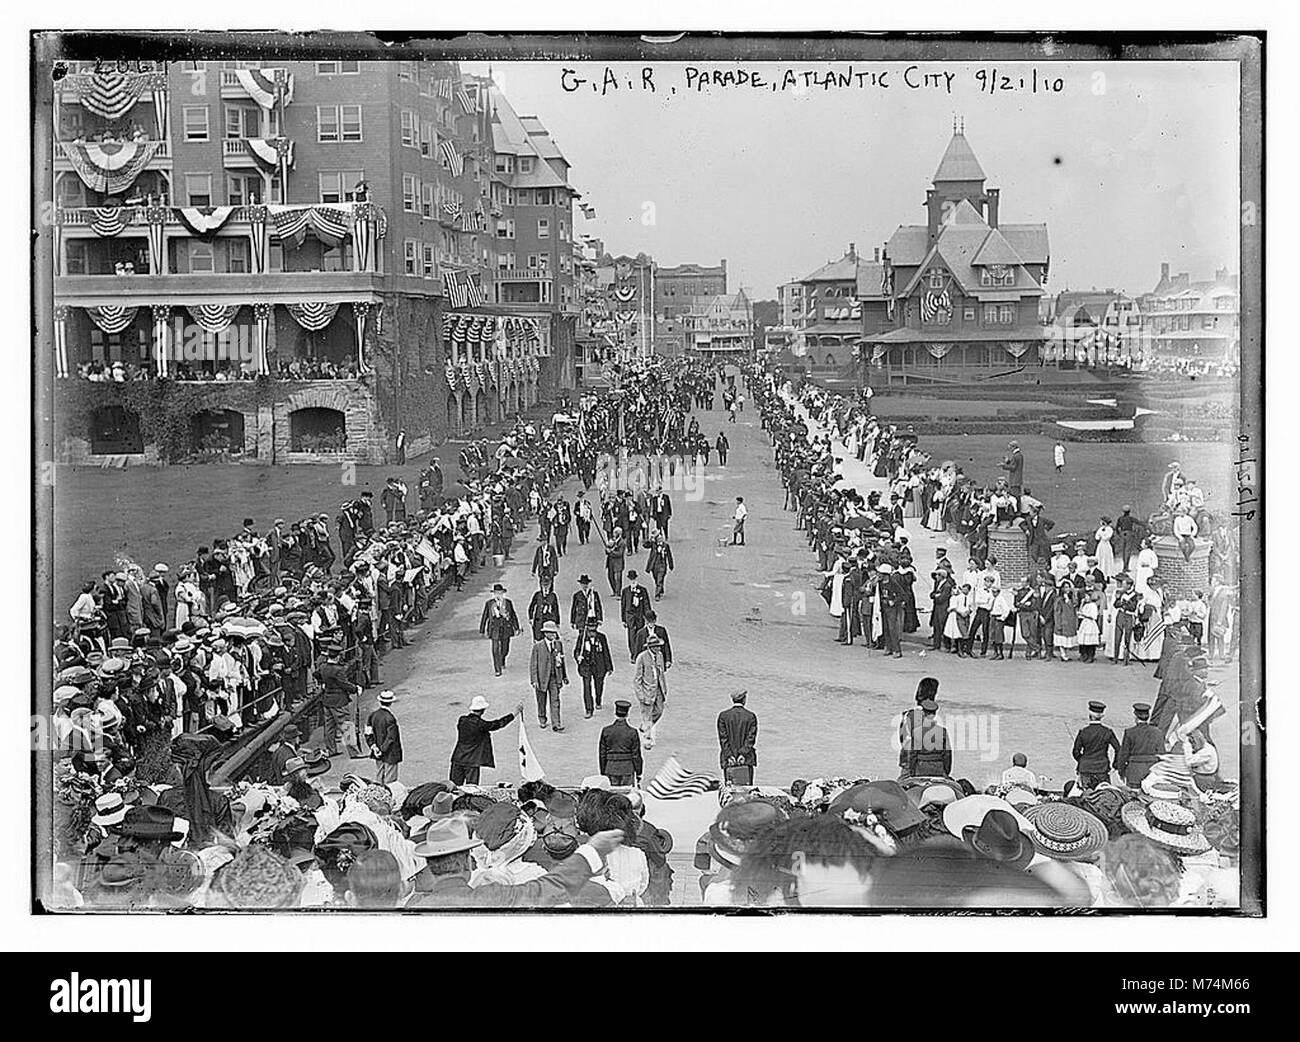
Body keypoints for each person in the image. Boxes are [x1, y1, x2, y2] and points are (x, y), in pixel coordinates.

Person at [449, 696, 520, 785]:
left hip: (458, 758)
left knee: (453, 787)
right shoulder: (481, 725)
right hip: (472, 761)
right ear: (483, 710)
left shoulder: (462, 720)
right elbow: (498, 724)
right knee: (471, 788)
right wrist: (514, 714)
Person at [528, 620, 569, 732]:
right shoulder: (538, 646)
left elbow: (562, 661)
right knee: (541, 700)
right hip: (541, 678)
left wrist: (564, 676)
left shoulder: (558, 644)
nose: (553, 635)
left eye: (554, 633)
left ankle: (556, 723)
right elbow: (533, 664)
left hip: (554, 677)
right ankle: (542, 718)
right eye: (551, 633)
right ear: (545, 633)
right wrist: (534, 680)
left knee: (555, 700)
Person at [1072, 700, 1120, 789]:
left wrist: (1082, 760)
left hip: (1085, 767)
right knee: (1104, 792)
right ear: (1101, 716)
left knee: (1085, 793)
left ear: (1090, 716)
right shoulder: (1107, 732)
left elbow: (1075, 751)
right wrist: (1115, 764)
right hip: (1102, 768)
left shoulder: (1083, 732)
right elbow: (1118, 749)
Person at [1114, 702, 1164, 787]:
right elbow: (1162, 754)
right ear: (1147, 717)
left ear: (1136, 716)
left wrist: (1121, 772)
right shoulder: (1157, 732)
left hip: (1134, 772)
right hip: (1152, 772)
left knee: (1133, 797)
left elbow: (1123, 755)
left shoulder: (1130, 732)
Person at [632, 631, 668, 749]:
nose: (658, 648)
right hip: (646, 692)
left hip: (658, 690)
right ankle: (647, 740)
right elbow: (637, 678)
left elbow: (661, 673)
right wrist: (640, 695)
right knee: (646, 716)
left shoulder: (660, 656)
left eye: (659, 646)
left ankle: (646, 726)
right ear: (650, 647)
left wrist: (664, 688)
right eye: (656, 646)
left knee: (659, 711)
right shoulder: (641, 658)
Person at [717, 689, 758, 785]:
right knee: (747, 789)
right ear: (744, 700)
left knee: (730, 789)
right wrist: (743, 754)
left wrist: (729, 755)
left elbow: (723, 739)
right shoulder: (751, 716)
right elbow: (751, 738)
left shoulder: (723, 716)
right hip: (746, 758)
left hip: (729, 760)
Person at [479, 583, 521, 677]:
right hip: (494, 629)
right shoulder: (490, 604)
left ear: (503, 593)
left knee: (505, 648)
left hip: (506, 628)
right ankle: (497, 669)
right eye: (496, 593)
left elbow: (513, 615)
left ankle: (502, 659)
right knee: (495, 649)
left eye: (500, 593)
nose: (498, 595)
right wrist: (482, 630)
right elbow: (485, 616)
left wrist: (517, 627)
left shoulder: (508, 603)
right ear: (494, 594)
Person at [903, 698, 952, 778]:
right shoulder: (943, 731)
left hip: (920, 768)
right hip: (938, 769)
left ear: (923, 713)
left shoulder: (916, 731)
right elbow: (947, 754)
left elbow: (913, 755)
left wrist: (912, 772)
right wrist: (946, 772)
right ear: (935, 714)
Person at [598, 700, 643, 786]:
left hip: (610, 768)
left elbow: (602, 754)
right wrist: (638, 771)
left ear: (615, 713)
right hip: (627, 769)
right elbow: (636, 755)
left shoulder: (606, 731)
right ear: (627, 714)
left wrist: (603, 771)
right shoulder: (632, 732)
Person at [575, 619, 614, 718]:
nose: (592, 633)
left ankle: (598, 699)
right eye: (590, 631)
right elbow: (576, 650)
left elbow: (606, 652)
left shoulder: (602, 637)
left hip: (599, 666)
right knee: (587, 688)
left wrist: (609, 667)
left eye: (593, 631)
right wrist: (578, 657)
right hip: (586, 667)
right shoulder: (582, 638)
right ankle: (589, 709)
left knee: (599, 685)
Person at [365, 689, 403, 784]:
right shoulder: (390, 718)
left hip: (377, 751)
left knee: (379, 776)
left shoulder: (372, 716)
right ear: (391, 702)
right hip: (390, 753)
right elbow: (391, 738)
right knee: (390, 780)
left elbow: (368, 733)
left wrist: (374, 747)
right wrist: (382, 750)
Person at [620, 570, 651, 660]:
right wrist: (623, 619)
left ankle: (639, 654)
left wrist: (648, 617)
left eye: (633, 579)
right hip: (629, 617)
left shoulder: (642, 590)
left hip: (639, 617)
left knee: (640, 635)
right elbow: (623, 606)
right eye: (631, 579)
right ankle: (633, 654)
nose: (632, 581)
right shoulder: (625, 591)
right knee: (631, 637)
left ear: (636, 578)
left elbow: (646, 604)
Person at [646, 534, 675, 601]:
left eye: (661, 539)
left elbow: (669, 556)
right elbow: (645, 545)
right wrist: (650, 539)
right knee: (656, 579)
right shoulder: (653, 545)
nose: (660, 540)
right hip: (654, 565)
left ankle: (657, 595)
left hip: (662, 565)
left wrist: (671, 565)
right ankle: (660, 588)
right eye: (658, 539)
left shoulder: (666, 546)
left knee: (660, 579)